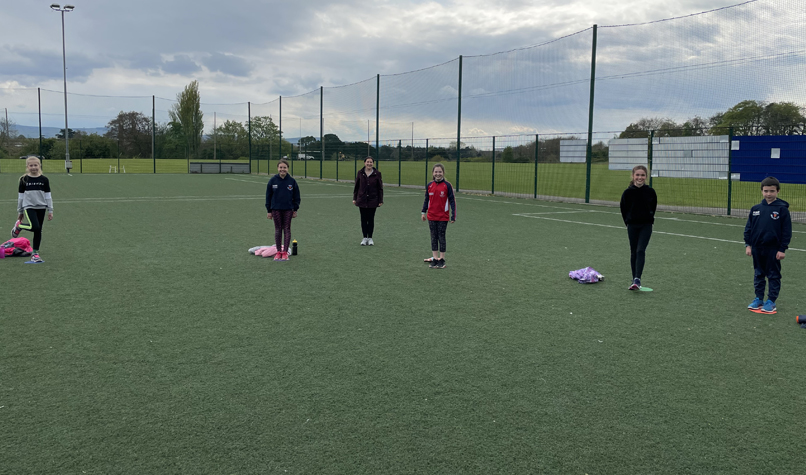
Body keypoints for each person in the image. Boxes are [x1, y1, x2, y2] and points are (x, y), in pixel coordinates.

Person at [744, 176, 791, 314]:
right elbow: (749, 228)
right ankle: (758, 298)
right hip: (757, 248)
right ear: (761, 191)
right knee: (758, 273)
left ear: (778, 191)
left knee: (773, 275)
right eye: (765, 191)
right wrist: (748, 245)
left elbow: (787, 231)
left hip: (773, 249)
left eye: (771, 191)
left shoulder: (782, 210)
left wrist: (782, 249)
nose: (768, 194)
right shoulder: (755, 209)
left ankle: (771, 301)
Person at [619, 165, 657, 290]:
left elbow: (653, 208)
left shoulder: (650, 192)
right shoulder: (627, 193)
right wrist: (629, 223)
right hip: (632, 226)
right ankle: (634, 279)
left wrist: (648, 219)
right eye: (637, 175)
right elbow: (623, 209)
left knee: (641, 250)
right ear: (633, 176)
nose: (640, 177)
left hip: (646, 225)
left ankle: (637, 279)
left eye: (642, 175)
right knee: (633, 252)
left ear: (646, 177)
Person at [11, 156, 53, 264]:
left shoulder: (44, 179)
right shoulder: (24, 180)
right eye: (31, 165)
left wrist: (50, 210)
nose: (33, 167)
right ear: (27, 167)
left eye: (36, 165)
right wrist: (20, 211)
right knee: (35, 227)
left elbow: (48, 196)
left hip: (41, 207)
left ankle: (35, 252)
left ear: (39, 166)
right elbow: (20, 197)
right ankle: (19, 226)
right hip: (29, 207)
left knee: (38, 230)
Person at [421, 163, 456, 269]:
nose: (438, 174)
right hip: (431, 216)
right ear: (433, 173)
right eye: (436, 172)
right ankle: (435, 259)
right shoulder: (429, 185)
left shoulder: (447, 185)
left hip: (443, 217)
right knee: (433, 237)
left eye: (440, 172)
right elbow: (427, 199)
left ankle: (442, 259)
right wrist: (423, 212)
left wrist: (453, 215)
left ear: (443, 173)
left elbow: (452, 201)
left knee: (441, 237)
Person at [265, 160, 300, 262]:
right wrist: (269, 210)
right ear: (277, 168)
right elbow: (268, 196)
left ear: (287, 169)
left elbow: (297, 197)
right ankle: (278, 251)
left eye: (284, 167)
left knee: (287, 229)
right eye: (280, 167)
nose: (282, 169)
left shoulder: (292, 181)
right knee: (278, 229)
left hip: (288, 209)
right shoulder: (272, 181)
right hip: (275, 209)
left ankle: (285, 252)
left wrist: (295, 209)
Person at [352, 156, 383, 245]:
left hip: (373, 200)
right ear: (364, 163)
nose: (369, 164)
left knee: (371, 219)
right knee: (363, 219)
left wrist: (380, 200)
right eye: (367, 162)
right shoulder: (360, 173)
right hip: (362, 199)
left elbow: (380, 188)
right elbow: (356, 187)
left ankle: (370, 238)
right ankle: (364, 238)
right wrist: (355, 198)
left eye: (371, 162)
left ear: (373, 163)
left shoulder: (377, 173)